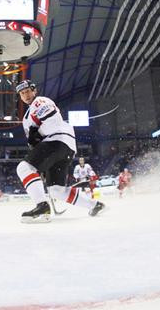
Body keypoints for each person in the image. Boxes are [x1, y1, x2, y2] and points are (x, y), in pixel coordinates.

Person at [15, 79, 105, 223]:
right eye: (22, 93)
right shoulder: (26, 116)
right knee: (56, 190)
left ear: (34, 91)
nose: (25, 95)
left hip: (56, 141)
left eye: (27, 91)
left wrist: (36, 132)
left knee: (23, 168)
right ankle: (95, 205)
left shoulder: (39, 101)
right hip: (63, 147)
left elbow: (52, 120)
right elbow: (34, 142)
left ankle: (42, 206)